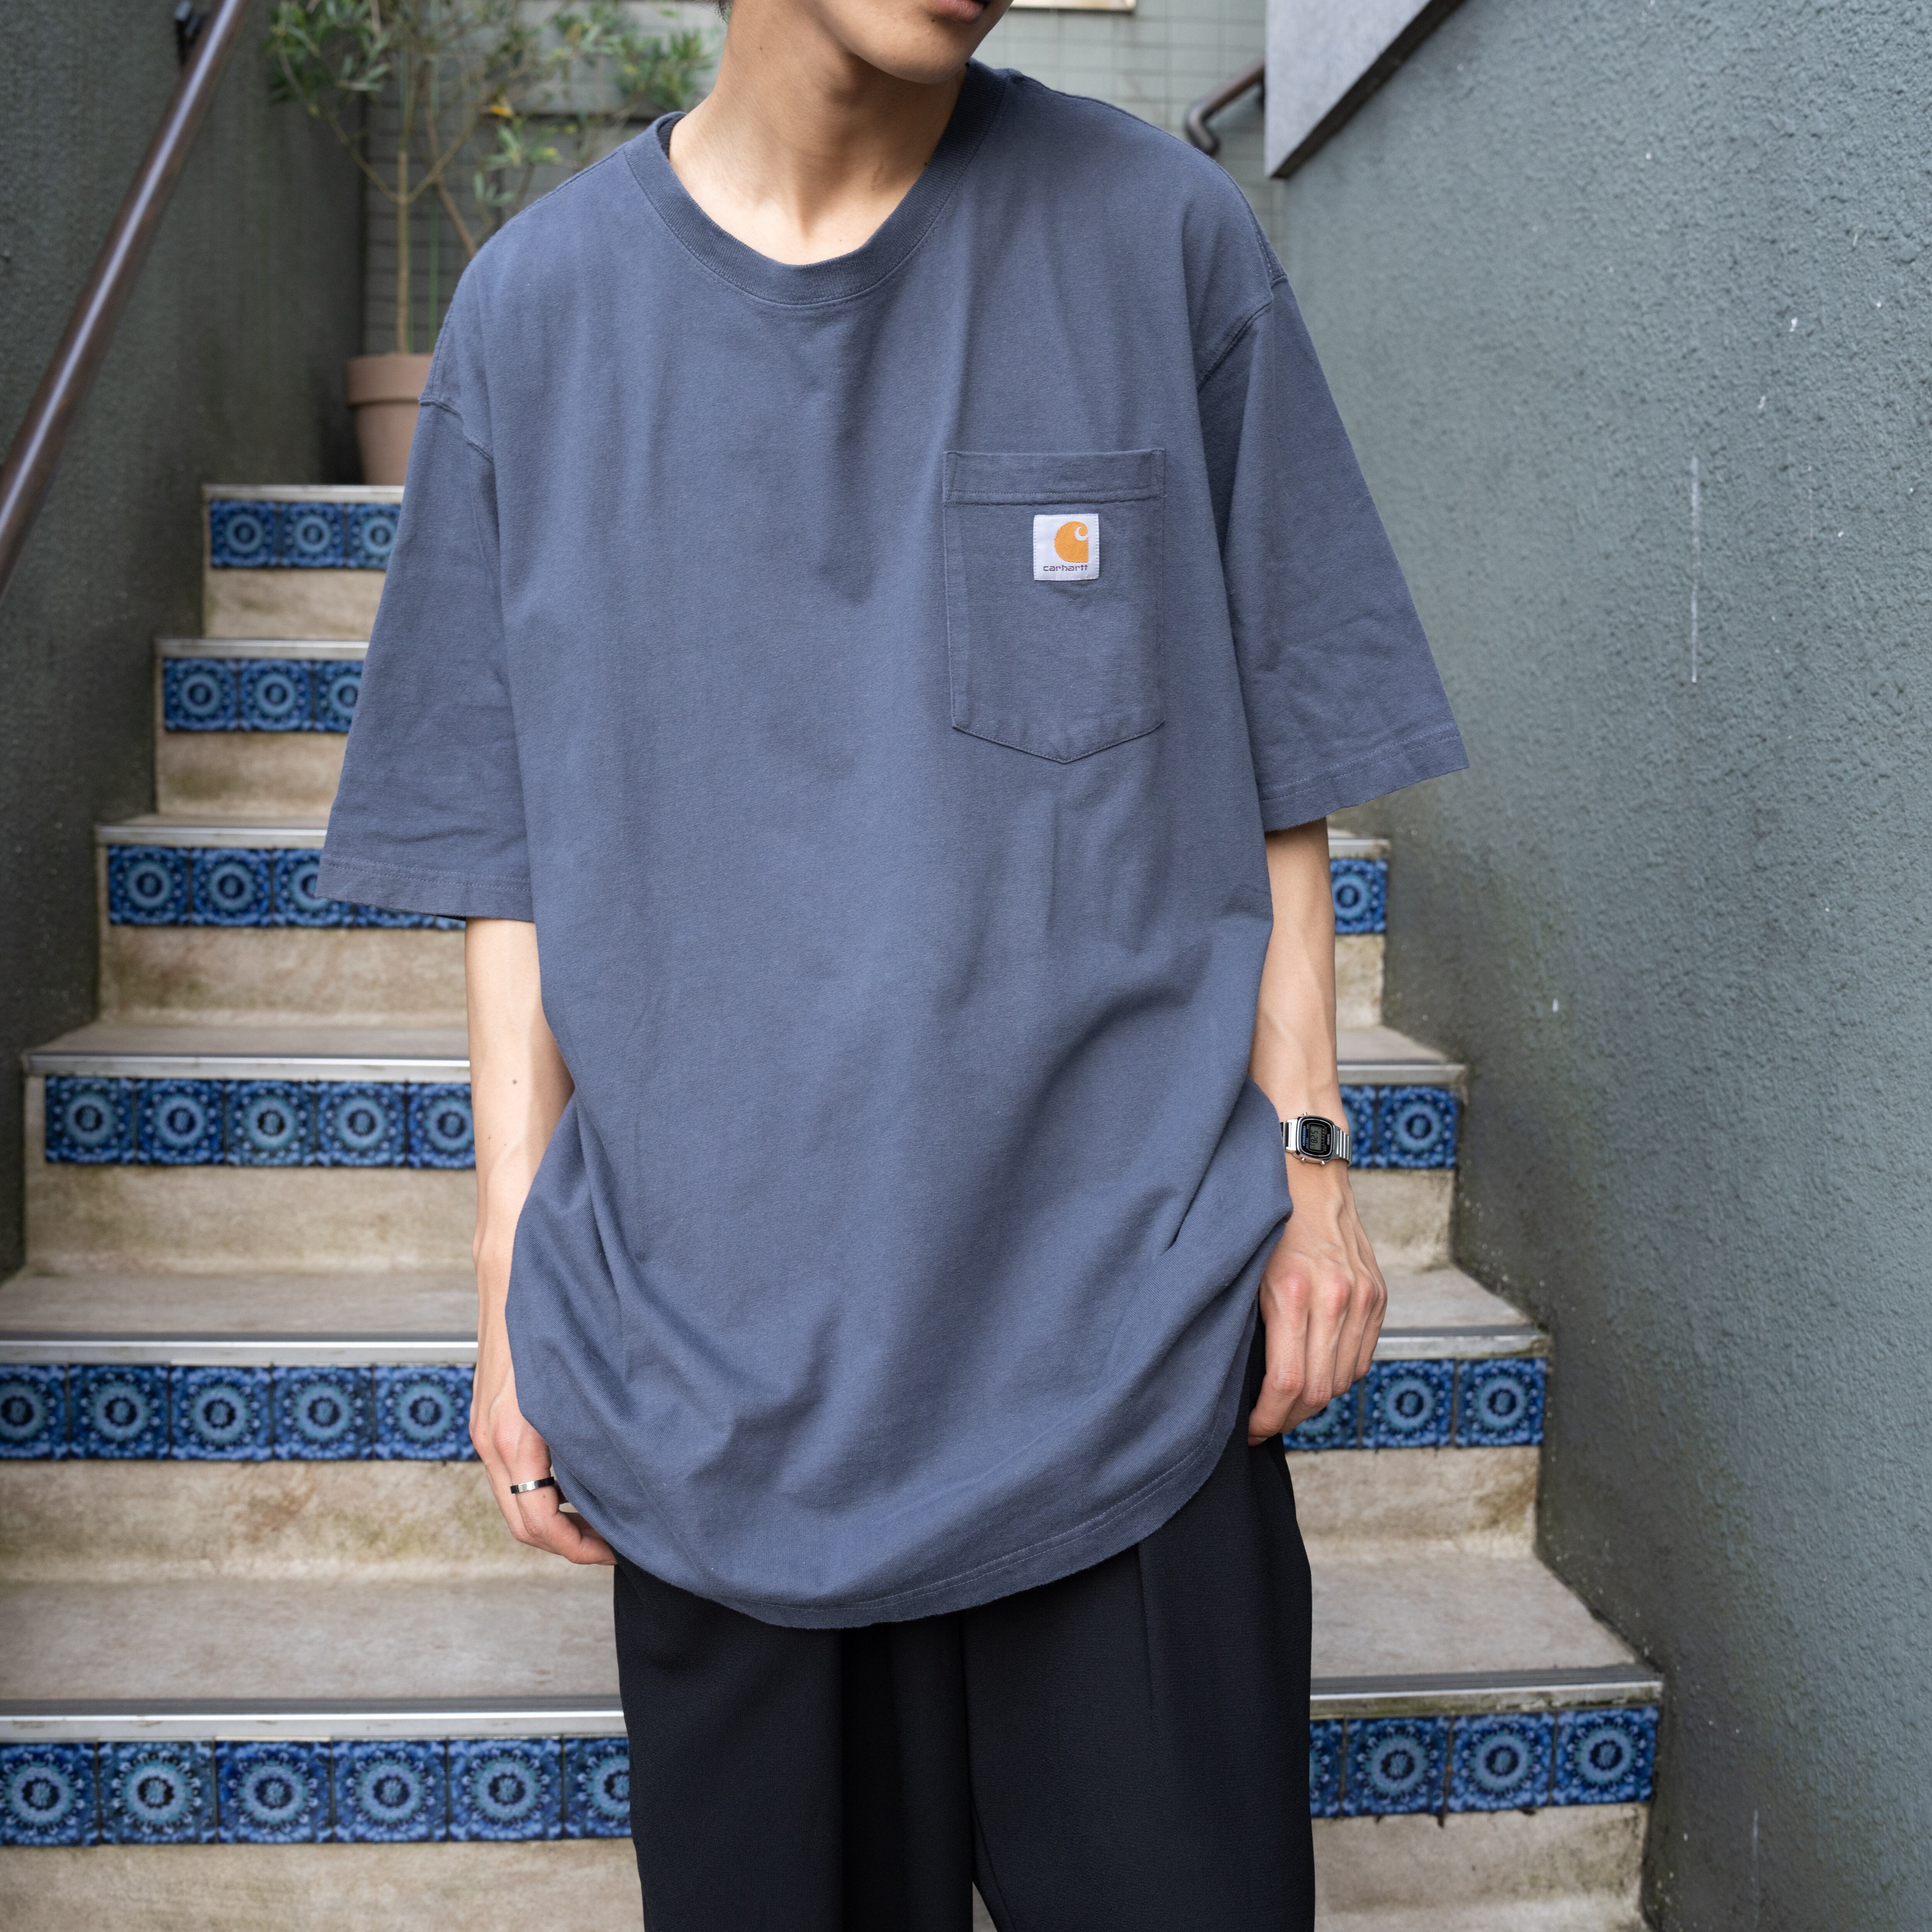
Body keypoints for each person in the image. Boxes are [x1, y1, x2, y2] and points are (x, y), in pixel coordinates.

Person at [319, 0, 1466, 1918]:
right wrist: (511, 1272)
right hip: (709, 1384)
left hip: (1126, 1352)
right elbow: (506, 856)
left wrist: (1313, 1157)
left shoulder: (1159, 234)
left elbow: (1278, 749)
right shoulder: (535, 317)